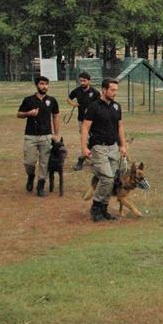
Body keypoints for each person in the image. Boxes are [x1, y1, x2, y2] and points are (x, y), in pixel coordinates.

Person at [81, 79, 127, 221]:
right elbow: (85, 127)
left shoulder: (116, 107)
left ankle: (104, 209)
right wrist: (84, 147)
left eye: (116, 90)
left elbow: (120, 127)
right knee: (106, 178)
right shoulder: (94, 107)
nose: (114, 93)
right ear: (104, 89)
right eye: (112, 90)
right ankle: (96, 206)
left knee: (112, 179)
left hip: (113, 147)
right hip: (98, 147)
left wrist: (122, 145)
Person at [17, 76, 60, 197]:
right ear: (37, 85)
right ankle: (31, 176)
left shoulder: (52, 100)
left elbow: (56, 116)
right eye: (42, 84)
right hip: (31, 136)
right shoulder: (29, 100)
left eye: (46, 84)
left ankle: (41, 185)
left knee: (44, 163)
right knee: (29, 162)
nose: (44, 86)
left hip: (46, 136)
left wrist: (56, 134)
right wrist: (28, 113)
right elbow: (19, 114)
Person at [67, 72, 100, 170]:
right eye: (81, 80)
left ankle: (87, 159)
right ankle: (83, 160)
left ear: (89, 81)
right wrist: (74, 104)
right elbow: (68, 99)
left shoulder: (95, 92)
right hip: (82, 120)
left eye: (84, 81)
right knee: (85, 139)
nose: (82, 82)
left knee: (93, 140)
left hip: (94, 121)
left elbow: (99, 104)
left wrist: (92, 110)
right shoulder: (77, 91)